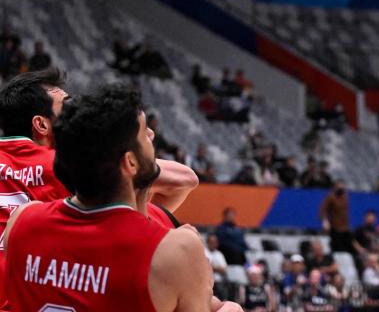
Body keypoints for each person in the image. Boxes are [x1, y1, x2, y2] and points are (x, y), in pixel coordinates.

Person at [2, 83, 240, 311]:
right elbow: (185, 180)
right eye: (144, 132)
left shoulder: (23, 220)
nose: (152, 135)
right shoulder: (176, 248)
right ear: (130, 161)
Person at [320, 180, 352, 253]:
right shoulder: (331, 197)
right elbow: (323, 210)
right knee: (337, 248)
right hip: (335, 227)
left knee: (347, 248)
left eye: (342, 185)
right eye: (339, 186)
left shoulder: (345, 197)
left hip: (345, 227)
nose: (341, 187)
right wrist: (325, 221)